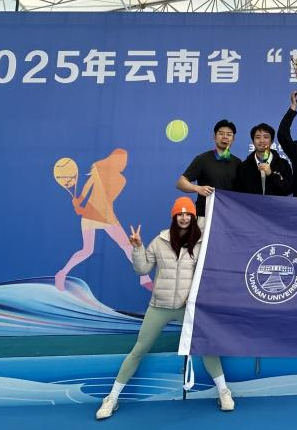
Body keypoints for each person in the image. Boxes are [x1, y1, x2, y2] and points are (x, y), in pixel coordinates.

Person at [95, 197, 234, 419]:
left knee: (207, 348)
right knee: (138, 350)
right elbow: (142, 269)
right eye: (180, 214)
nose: (184, 217)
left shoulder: (201, 243)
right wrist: (138, 248)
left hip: (187, 308)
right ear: (174, 216)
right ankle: (111, 398)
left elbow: (207, 275)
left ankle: (224, 392)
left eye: (188, 214)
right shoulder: (160, 241)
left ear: (193, 217)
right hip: (159, 306)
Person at [55, 148, 151, 292]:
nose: (125, 164)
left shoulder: (121, 180)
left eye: (126, 161)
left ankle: (144, 277)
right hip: (94, 214)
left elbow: (106, 199)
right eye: (123, 160)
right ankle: (61, 274)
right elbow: (88, 186)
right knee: (89, 250)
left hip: (104, 215)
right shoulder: (98, 169)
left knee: (125, 245)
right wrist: (79, 201)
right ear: (116, 160)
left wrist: (82, 209)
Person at [176, 119, 241, 222]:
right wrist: (197, 188)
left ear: (233, 139)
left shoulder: (238, 163)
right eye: (221, 133)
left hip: (229, 217)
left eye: (229, 134)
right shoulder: (203, 159)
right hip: (204, 215)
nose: (225, 137)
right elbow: (180, 183)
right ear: (214, 137)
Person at [236, 123, 293, 195]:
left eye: (266, 137)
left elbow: (288, 189)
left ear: (272, 141)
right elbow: (239, 194)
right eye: (258, 137)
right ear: (253, 141)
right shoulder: (244, 166)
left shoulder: (283, 164)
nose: (262, 140)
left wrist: (271, 174)